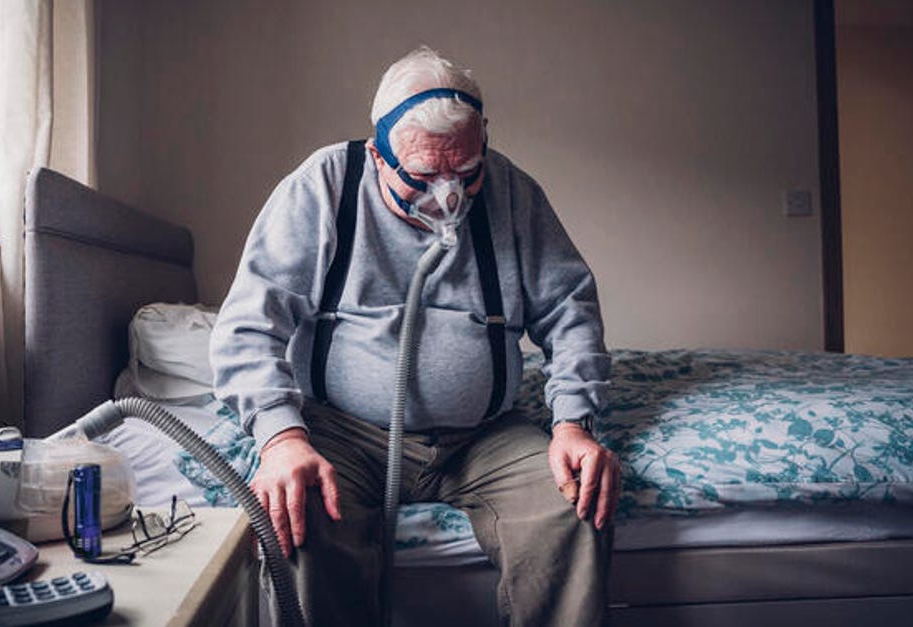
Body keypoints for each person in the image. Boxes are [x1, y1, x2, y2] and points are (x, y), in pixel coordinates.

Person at [210, 46, 618, 626]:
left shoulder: (509, 190)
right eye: (425, 176)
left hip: (483, 437)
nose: (448, 196)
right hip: (344, 431)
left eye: (465, 171)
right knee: (300, 517)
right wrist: (280, 440)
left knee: (572, 507)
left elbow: (570, 309)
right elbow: (250, 324)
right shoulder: (324, 185)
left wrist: (573, 422)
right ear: (379, 155)